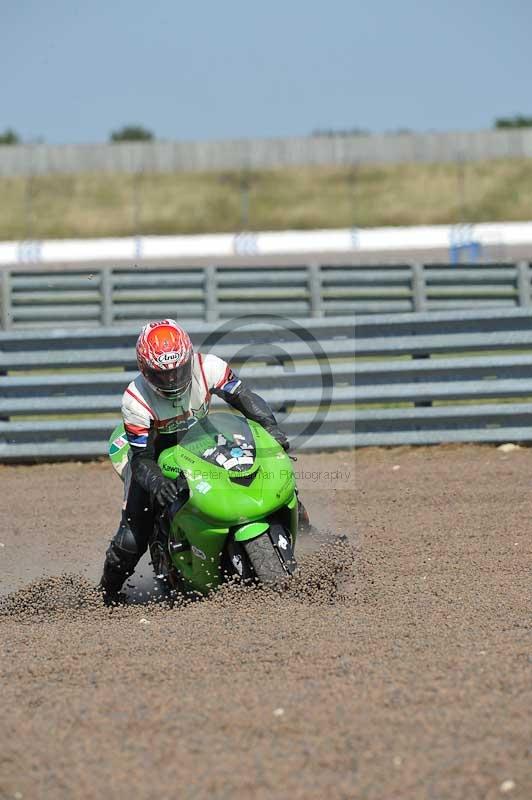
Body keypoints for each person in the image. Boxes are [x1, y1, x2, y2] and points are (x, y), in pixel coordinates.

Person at [100, 318, 310, 603]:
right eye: (162, 375)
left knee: (263, 473)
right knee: (133, 535)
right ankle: (105, 596)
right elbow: (140, 458)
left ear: (189, 358)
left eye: (178, 371)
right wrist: (157, 482)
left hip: (201, 436)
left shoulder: (208, 366)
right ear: (145, 370)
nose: (172, 380)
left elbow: (244, 397)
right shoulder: (135, 399)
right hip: (154, 453)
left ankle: (311, 537)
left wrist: (269, 427)